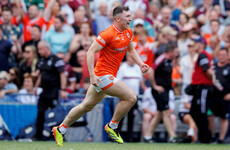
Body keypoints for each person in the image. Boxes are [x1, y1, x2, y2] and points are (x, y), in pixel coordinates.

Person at [52, 6, 149, 147]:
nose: (131, 18)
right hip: (102, 75)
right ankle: (112, 126)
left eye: (130, 15)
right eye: (127, 16)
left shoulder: (128, 32)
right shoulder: (107, 34)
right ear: (118, 19)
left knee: (86, 106)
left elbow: (131, 49)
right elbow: (90, 52)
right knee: (131, 97)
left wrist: (140, 64)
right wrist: (92, 75)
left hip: (105, 77)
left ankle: (60, 129)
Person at [144, 42, 178, 143]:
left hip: (166, 90)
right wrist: (154, 86)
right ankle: (172, 136)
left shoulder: (170, 60)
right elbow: (150, 71)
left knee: (159, 113)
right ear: (170, 52)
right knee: (166, 112)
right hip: (159, 91)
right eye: (176, 52)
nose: (177, 54)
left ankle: (147, 136)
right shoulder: (161, 58)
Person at [34, 40, 67, 140]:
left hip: (54, 91)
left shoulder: (57, 60)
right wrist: (36, 86)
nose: (39, 52)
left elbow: (63, 75)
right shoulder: (41, 61)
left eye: (40, 49)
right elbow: (41, 74)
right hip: (44, 91)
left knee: (56, 114)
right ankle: (38, 136)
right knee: (40, 113)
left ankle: (60, 136)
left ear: (47, 48)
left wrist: (63, 89)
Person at [208, 48, 230, 143]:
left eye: (224, 55)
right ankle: (212, 137)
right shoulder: (213, 67)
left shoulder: (229, 67)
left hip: (224, 97)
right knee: (210, 116)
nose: (222, 57)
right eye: (220, 55)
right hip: (212, 96)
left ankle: (221, 139)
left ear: (227, 56)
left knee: (223, 117)